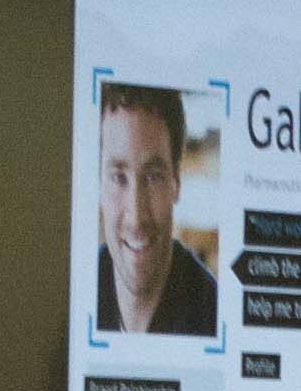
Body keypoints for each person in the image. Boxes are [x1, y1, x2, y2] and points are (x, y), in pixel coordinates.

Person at [93, 81, 218, 337]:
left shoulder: (212, 314)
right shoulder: (77, 291)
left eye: (153, 177)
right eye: (118, 177)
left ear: (176, 183)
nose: (136, 217)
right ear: (99, 185)